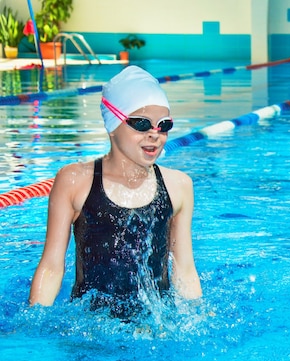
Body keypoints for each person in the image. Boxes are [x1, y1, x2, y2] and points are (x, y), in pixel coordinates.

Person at [29, 66, 202, 316]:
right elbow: (52, 266)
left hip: (155, 330)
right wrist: (34, 325)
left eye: (164, 125)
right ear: (112, 124)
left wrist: (195, 317)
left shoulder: (179, 185)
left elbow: (184, 269)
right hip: (90, 327)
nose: (155, 134)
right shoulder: (75, 181)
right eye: (141, 124)